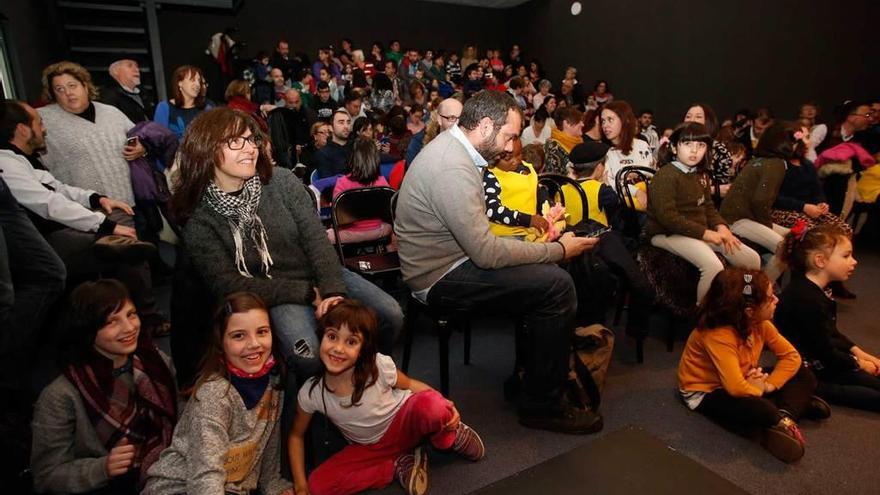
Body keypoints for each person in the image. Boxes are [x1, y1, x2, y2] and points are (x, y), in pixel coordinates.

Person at [395, 90, 601, 434]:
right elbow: (487, 253)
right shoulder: (452, 167)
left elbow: (484, 235)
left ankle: (530, 378)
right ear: (486, 125)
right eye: (509, 136)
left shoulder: (458, 152)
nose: (509, 147)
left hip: (451, 259)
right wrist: (558, 250)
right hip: (438, 277)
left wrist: (539, 236)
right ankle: (542, 405)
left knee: (546, 277)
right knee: (556, 284)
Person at [171, 108, 403, 377]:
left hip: (320, 272)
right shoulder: (199, 215)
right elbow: (229, 285)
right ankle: (318, 402)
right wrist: (306, 294)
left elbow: (316, 239)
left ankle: (359, 378)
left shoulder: (280, 181)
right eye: (236, 141)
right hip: (273, 289)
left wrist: (332, 293)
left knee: (391, 315)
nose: (250, 149)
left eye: (251, 139)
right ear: (206, 149)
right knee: (307, 356)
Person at [289, 300, 484, 495]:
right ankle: (396, 465)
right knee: (318, 484)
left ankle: (450, 435)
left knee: (432, 405)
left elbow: (412, 385)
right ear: (320, 337)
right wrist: (300, 486)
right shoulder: (311, 392)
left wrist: (447, 406)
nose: (338, 348)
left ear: (363, 349)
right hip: (372, 448)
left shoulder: (378, 366)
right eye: (332, 336)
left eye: (351, 341)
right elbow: (296, 436)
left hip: (406, 423)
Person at [31, 279, 177, 493]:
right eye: (111, 322)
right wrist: (102, 468)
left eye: (131, 314)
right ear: (88, 330)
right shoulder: (61, 395)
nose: (129, 328)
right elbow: (46, 475)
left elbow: (182, 415)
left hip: (169, 472)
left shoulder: (154, 361)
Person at [144, 292, 291, 494]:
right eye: (239, 335)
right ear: (221, 342)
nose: (254, 344)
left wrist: (273, 485)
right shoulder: (214, 395)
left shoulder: (273, 384)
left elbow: (267, 446)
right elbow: (205, 478)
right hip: (181, 488)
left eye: (262, 332)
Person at [677, 267, 825, 463]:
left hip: (744, 377)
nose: (777, 301)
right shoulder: (718, 334)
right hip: (707, 391)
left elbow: (791, 357)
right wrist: (757, 391)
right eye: (770, 298)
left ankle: (783, 416)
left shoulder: (761, 324)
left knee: (805, 374)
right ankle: (783, 412)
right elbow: (735, 387)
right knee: (757, 409)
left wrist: (768, 385)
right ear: (749, 311)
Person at [647, 122, 761, 302]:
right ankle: (702, 316)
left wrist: (721, 227)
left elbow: (708, 207)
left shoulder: (701, 175)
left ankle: (742, 300)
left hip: (696, 231)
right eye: (687, 144)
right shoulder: (666, 176)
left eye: (700, 145)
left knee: (751, 259)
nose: (694, 150)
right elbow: (667, 218)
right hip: (665, 233)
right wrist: (706, 233)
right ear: (674, 148)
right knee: (713, 266)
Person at [775, 224, 880, 411]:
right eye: (846, 256)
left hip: (825, 360)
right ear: (820, 261)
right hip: (813, 369)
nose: (854, 261)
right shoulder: (805, 299)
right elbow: (824, 351)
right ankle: (810, 391)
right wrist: (858, 364)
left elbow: (831, 332)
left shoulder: (816, 291)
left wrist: (860, 353)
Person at [562, 142, 654, 339]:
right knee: (639, 282)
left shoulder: (562, 189)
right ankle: (636, 331)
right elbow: (620, 214)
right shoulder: (601, 190)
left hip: (571, 242)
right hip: (600, 240)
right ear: (599, 168)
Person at [37, 61, 142, 207]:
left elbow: (140, 137)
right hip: (84, 213)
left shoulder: (111, 112)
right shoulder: (43, 119)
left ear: (85, 86)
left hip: (131, 203)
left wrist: (142, 148)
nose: (68, 93)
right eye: (59, 89)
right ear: (53, 94)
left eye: (72, 85)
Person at [720, 123, 793, 282]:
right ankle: (761, 289)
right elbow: (760, 201)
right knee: (786, 247)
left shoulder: (759, 161)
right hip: (738, 220)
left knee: (792, 237)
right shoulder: (776, 164)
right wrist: (767, 225)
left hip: (740, 216)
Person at [328, 138, 393, 245]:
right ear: (375, 159)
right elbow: (389, 211)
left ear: (352, 158)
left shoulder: (342, 182)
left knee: (325, 236)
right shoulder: (382, 182)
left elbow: (336, 216)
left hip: (348, 235)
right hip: (377, 231)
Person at [482, 137, 549, 238]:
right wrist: (528, 220)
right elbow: (492, 210)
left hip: (530, 232)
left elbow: (536, 193)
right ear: (494, 157)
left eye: (519, 154)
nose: (516, 161)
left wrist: (550, 210)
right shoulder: (491, 176)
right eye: (508, 159)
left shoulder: (528, 168)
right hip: (505, 235)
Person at [601, 100, 655, 194]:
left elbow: (649, 175)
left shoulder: (642, 145)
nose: (605, 125)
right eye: (603, 121)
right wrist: (634, 191)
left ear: (625, 120)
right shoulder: (605, 152)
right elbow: (608, 184)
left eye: (610, 120)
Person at [684, 103, 734, 196]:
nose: (692, 120)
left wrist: (713, 190)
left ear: (708, 122)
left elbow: (724, 188)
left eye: (698, 117)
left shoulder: (719, 150)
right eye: (688, 116)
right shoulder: (674, 146)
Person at [154, 65, 213, 140]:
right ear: (180, 83)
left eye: (199, 81)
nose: (198, 84)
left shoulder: (207, 107)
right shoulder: (164, 108)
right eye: (192, 80)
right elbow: (158, 140)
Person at [314, 108, 353, 180]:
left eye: (348, 122)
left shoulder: (356, 146)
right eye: (341, 122)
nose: (346, 126)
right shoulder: (323, 154)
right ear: (331, 128)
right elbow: (328, 185)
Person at [543, 106, 584, 174]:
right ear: (567, 123)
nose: (583, 124)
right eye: (579, 121)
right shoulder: (553, 146)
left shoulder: (580, 142)